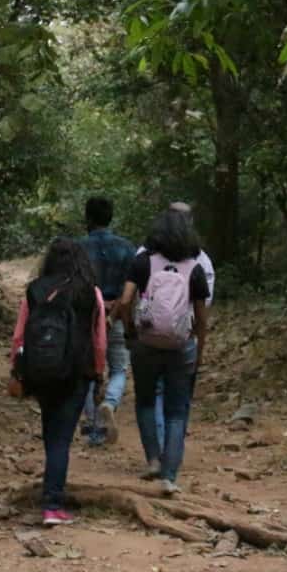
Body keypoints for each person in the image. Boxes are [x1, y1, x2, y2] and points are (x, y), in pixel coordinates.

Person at [9, 238, 107, 525]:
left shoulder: (35, 290)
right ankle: (53, 504)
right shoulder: (91, 293)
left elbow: (19, 336)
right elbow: (99, 340)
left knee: (52, 434)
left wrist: (17, 370)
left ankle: (50, 495)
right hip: (77, 374)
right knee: (61, 439)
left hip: (41, 372)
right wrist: (98, 373)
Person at [119, 210, 210, 495]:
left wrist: (131, 330)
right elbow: (201, 316)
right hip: (181, 346)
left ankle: (153, 461)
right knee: (176, 411)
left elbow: (124, 301)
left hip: (145, 343)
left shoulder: (143, 262)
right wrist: (200, 347)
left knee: (145, 402)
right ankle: (170, 476)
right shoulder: (195, 268)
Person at [136, 201, 215, 448]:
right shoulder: (200, 260)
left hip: (148, 335)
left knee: (152, 394)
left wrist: (134, 328)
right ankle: (172, 452)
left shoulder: (144, 254)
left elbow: (133, 294)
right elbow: (206, 302)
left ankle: (157, 450)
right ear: (190, 222)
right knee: (179, 400)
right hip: (184, 337)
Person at [79, 197, 135, 446]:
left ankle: (94, 430)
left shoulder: (77, 249)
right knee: (119, 367)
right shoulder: (126, 248)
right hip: (116, 314)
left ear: (87, 218)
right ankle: (110, 402)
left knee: (86, 370)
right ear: (110, 217)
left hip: (85, 317)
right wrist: (119, 317)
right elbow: (131, 290)